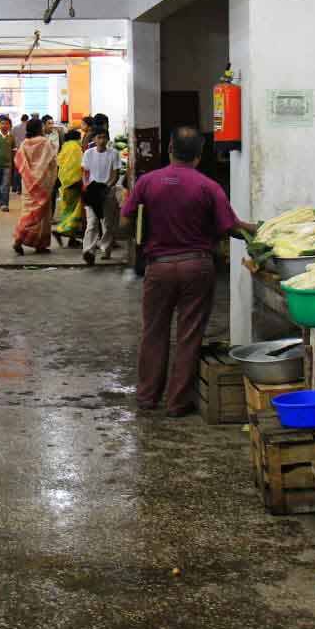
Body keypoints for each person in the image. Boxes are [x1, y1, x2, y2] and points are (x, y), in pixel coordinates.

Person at [122, 128, 256, 415]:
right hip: (197, 266)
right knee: (189, 333)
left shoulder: (147, 182)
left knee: (153, 332)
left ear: (170, 148)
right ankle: (177, 403)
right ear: (199, 155)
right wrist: (257, 230)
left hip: (159, 267)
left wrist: (142, 235)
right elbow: (230, 227)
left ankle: (147, 397)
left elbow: (126, 218)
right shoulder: (208, 186)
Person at [13, 117, 58, 255]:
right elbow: (52, 161)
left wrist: (30, 175)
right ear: (39, 128)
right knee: (43, 215)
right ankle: (39, 245)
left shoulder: (24, 143)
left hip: (28, 183)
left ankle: (20, 240)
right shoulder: (46, 143)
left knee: (28, 212)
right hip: (43, 183)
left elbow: (19, 161)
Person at [81, 128, 121, 264]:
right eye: (99, 137)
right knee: (92, 223)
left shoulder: (114, 154)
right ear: (94, 139)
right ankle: (88, 251)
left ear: (108, 139)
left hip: (107, 192)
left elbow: (116, 174)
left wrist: (106, 187)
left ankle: (105, 248)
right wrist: (87, 186)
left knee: (108, 224)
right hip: (92, 193)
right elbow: (85, 173)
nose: (102, 140)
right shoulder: (88, 154)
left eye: (104, 137)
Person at [53, 128, 86, 247]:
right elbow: (78, 165)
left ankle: (72, 239)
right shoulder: (75, 148)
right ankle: (61, 231)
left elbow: (59, 163)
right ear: (77, 138)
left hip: (64, 183)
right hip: (74, 183)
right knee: (76, 212)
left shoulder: (65, 147)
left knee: (67, 211)